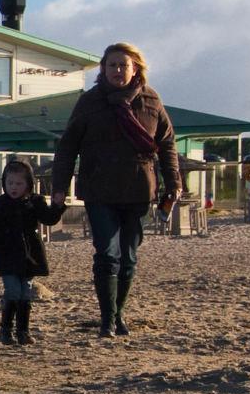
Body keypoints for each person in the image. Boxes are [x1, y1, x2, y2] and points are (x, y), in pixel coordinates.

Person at [50, 41, 180, 338]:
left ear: (135, 68)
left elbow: (167, 144)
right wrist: (59, 187)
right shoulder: (90, 101)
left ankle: (119, 312)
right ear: (103, 69)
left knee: (129, 257)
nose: (118, 70)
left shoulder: (151, 100)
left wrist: (173, 184)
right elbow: (68, 146)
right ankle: (107, 319)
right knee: (107, 254)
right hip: (99, 189)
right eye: (112, 65)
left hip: (138, 189)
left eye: (124, 65)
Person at [0, 158, 62, 345]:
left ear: (28, 184)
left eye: (18, 183)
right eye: (10, 183)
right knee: (13, 290)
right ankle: (5, 330)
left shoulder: (35, 201)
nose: (13, 187)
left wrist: (57, 206)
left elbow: (49, 219)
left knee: (26, 292)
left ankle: (23, 331)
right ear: (4, 183)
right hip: (6, 252)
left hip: (29, 253)